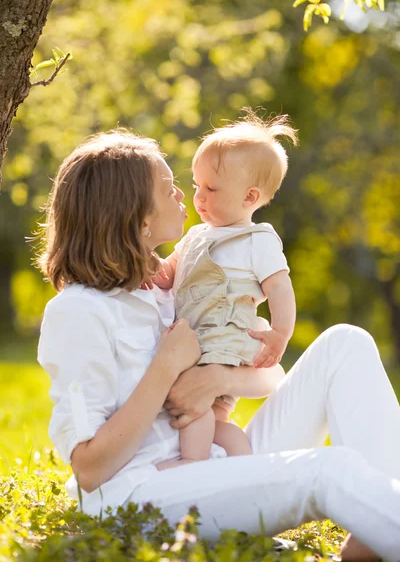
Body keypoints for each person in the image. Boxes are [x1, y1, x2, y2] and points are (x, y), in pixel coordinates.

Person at [37, 129, 400, 562]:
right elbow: (92, 468)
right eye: (166, 187)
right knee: (328, 470)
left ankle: (372, 538)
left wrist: (216, 378)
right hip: (143, 492)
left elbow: (271, 374)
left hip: (214, 458)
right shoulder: (78, 312)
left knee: (346, 343)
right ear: (137, 215)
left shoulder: (176, 288)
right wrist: (167, 367)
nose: (181, 196)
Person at [152, 111, 297, 469]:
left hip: (223, 343)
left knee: (198, 408)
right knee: (217, 419)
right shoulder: (196, 236)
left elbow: (280, 287)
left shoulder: (257, 240)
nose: (198, 197)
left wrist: (280, 332)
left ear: (249, 197)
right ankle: (239, 465)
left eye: (211, 189)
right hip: (196, 340)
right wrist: (150, 268)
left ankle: (194, 465)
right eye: (197, 185)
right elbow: (170, 273)